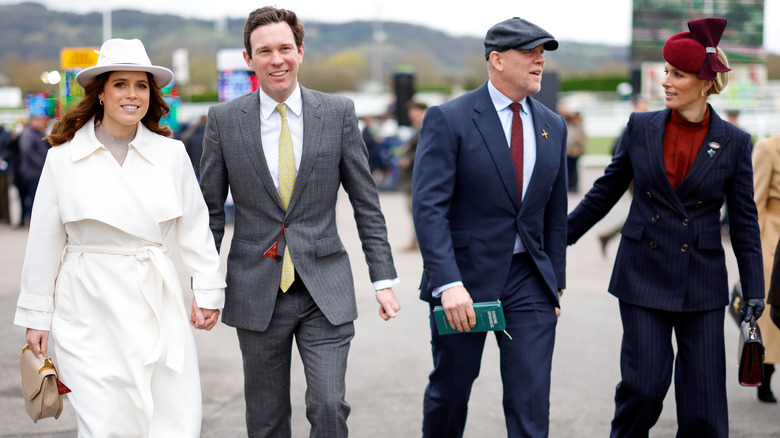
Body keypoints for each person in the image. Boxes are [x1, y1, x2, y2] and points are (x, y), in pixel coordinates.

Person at [199, 7, 401, 437]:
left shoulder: (339, 112)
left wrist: (382, 278)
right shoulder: (224, 121)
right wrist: (204, 285)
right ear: (248, 58)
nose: (277, 59)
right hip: (256, 290)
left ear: (301, 51)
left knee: (329, 406)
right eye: (265, 50)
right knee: (267, 419)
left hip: (324, 288)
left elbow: (366, 203)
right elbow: (211, 212)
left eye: (285, 48)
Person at [14, 38, 226, 437]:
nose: (132, 94)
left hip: (155, 306)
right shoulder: (62, 158)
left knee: (170, 417)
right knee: (104, 421)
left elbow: (196, 229)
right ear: (100, 93)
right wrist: (36, 317)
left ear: (152, 95)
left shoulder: (172, 154)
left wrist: (208, 291)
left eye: (142, 85)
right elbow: (43, 242)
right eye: (120, 84)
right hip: (85, 309)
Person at [567, 18, 764, 437]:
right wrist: (554, 239)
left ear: (705, 83)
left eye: (677, 74)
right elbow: (603, 193)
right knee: (644, 387)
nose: (665, 81)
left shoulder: (734, 141)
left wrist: (755, 291)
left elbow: (745, 222)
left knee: (704, 404)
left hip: (703, 282)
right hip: (643, 275)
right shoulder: (641, 128)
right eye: (667, 71)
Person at [412, 17, 567, 437]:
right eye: (530, 52)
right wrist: (448, 284)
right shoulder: (450, 119)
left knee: (530, 400)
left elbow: (554, 212)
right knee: (451, 391)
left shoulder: (554, 125)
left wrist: (555, 283)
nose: (539, 61)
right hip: (465, 281)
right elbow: (429, 209)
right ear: (497, 60)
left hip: (530, 282)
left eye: (543, 54)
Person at [597, 94, 649, 256]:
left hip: (642, 177)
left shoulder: (647, 123)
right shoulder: (632, 125)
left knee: (643, 214)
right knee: (645, 214)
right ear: (635, 107)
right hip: (635, 178)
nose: (645, 107)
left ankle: (607, 237)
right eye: (642, 105)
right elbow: (615, 151)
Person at [752, 130, 780, 402]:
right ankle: (765, 377)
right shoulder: (767, 149)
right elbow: (755, 203)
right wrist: (752, 257)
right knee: (771, 317)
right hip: (772, 240)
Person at [396, 100, 428, 251]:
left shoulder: (425, 125)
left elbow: (425, 149)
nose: (410, 114)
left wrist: (408, 159)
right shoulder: (418, 126)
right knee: (413, 210)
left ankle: (418, 241)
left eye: (412, 111)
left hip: (417, 176)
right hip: (412, 177)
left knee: (416, 210)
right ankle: (416, 240)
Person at [17, 113, 49, 227]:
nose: (41, 123)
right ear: (32, 121)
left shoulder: (38, 133)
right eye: (38, 120)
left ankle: (33, 221)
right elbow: (27, 151)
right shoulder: (28, 134)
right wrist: (42, 163)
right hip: (32, 172)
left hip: (36, 171)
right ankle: (32, 221)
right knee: (33, 198)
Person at [560, 104, 586, 193]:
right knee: (567, 169)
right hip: (567, 150)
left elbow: (580, 135)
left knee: (573, 169)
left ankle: (574, 186)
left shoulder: (576, 122)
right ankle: (569, 185)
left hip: (574, 150)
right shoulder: (563, 121)